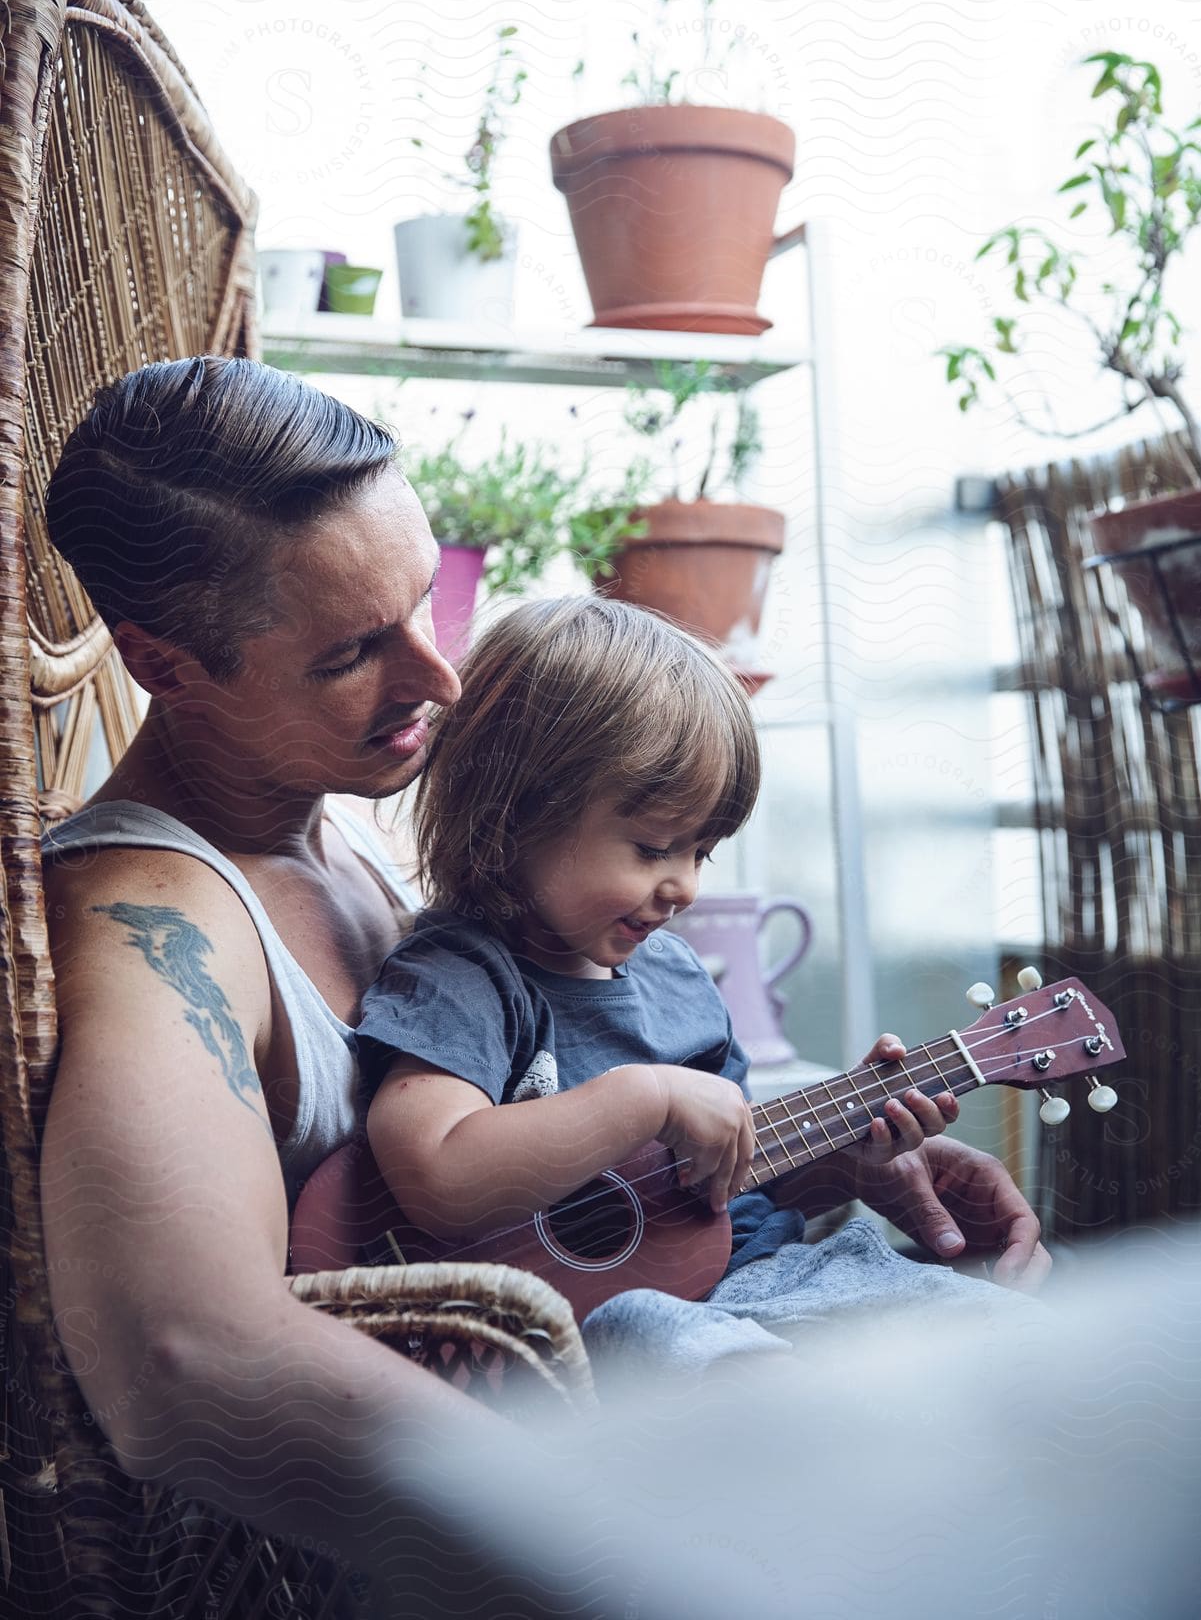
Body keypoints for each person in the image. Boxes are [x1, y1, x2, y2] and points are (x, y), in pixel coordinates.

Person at [37, 356, 1049, 1604]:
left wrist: (813, 1154)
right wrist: (615, 1523)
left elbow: (539, 1141)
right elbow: (178, 1363)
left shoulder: (320, 830)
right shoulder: (154, 923)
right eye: (355, 649)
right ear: (164, 662)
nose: (439, 679)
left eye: (428, 600)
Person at [357, 593, 961, 1278]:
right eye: (651, 848)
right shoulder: (462, 977)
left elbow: (721, 1190)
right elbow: (437, 1177)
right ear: (511, 818)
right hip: (618, 1324)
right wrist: (646, 1099)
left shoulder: (676, 980)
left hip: (748, 1272)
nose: (684, 889)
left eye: (700, 852)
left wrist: (844, 1154)